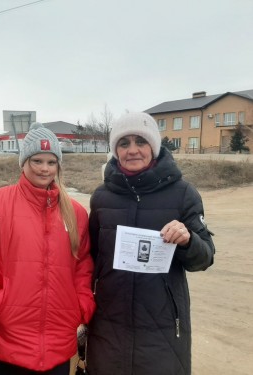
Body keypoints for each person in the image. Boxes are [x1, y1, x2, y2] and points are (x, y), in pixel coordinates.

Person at [0, 123, 96, 375]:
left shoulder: (75, 212)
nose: (44, 168)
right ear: (23, 162)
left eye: (51, 162)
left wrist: (80, 305)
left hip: (58, 338)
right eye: (37, 160)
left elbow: (83, 265)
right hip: (10, 337)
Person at [86, 112, 215, 375]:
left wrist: (188, 240)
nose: (132, 150)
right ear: (115, 150)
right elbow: (91, 258)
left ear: (153, 147)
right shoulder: (101, 197)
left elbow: (205, 258)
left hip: (163, 328)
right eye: (124, 143)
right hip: (109, 324)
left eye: (140, 142)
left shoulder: (183, 193)